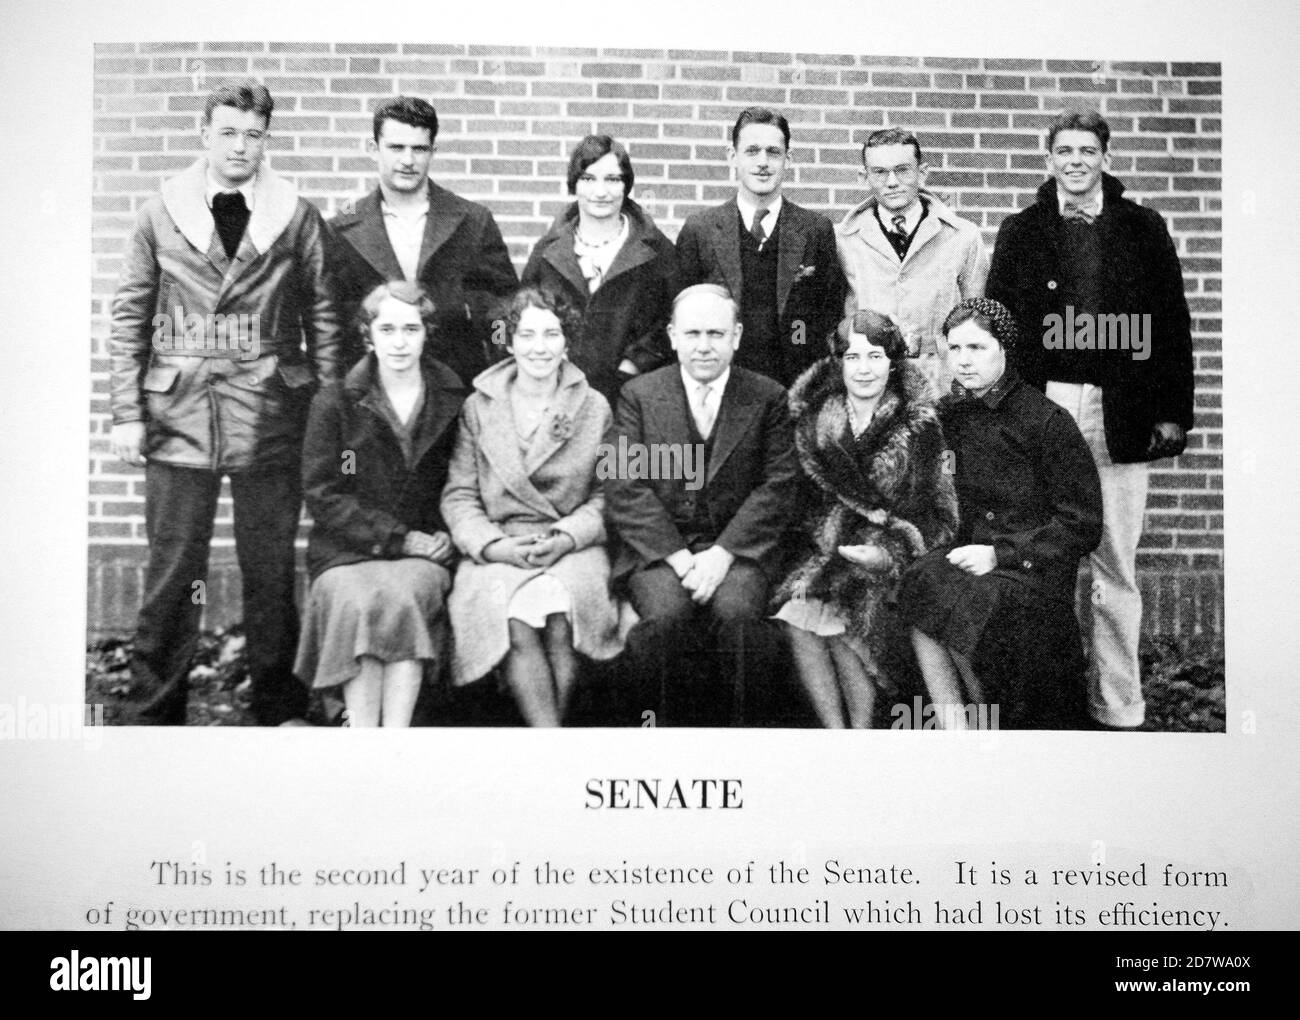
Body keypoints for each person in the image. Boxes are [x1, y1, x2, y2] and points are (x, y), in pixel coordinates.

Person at [108, 81, 341, 726]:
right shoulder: (161, 210)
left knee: (269, 571)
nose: (241, 146)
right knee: (173, 569)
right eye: (228, 132)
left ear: (267, 139)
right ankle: (155, 711)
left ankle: (277, 707)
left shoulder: (296, 214)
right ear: (204, 134)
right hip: (178, 413)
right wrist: (126, 413)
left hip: (270, 411)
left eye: (253, 134)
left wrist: (324, 413)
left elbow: (324, 314)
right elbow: (131, 314)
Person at [985, 110, 1195, 730]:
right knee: (1038, 559)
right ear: (1048, 159)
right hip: (1046, 406)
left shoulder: (1142, 227)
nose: (1075, 161)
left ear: (1104, 156)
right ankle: (1048, 705)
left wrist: (1170, 412)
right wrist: (1007, 410)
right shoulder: (1021, 231)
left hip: (1120, 408)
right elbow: (1001, 326)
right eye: (1064, 151)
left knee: (1114, 563)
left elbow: (1170, 325)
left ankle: (1119, 706)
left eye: (1086, 150)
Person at [896, 298, 1103, 730]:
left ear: (1005, 350)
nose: (964, 361)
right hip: (970, 555)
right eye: (955, 349)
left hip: (1031, 571)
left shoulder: (1047, 422)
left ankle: (990, 726)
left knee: (970, 602)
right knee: (920, 580)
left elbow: (1082, 524)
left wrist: (1000, 555)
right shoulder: (949, 415)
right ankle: (956, 725)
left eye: (977, 348)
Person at [607, 283, 800, 726]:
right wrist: (677, 557)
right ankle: (659, 738)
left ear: (736, 336)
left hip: (737, 548)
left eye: (716, 334)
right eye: (692, 334)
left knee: (740, 619)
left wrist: (722, 554)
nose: (704, 346)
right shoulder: (638, 395)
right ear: (672, 336)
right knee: (664, 620)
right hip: (660, 549)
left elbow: (778, 485)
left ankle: (743, 742)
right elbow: (623, 484)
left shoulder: (768, 396)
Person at [440, 286, 623, 726]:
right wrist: (493, 547)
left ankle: (547, 748)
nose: (539, 347)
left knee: (563, 618)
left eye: (551, 334)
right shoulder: (479, 405)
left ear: (567, 341)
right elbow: (460, 494)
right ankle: (551, 744)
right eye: (527, 335)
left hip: (569, 543)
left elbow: (608, 493)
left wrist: (565, 538)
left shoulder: (593, 406)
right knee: (514, 618)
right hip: (500, 545)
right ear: (509, 341)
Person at [770, 310, 958, 728]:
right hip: (828, 545)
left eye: (875, 356)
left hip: (891, 552)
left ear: (893, 361)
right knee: (797, 614)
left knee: (842, 618)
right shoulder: (815, 416)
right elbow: (798, 501)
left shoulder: (920, 424)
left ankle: (861, 730)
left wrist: (889, 552)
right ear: (838, 362)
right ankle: (836, 732)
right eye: (853, 358)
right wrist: (823, 541)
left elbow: (940, 515)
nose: (864, 368)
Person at [295, 281, 466, 726]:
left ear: (427, 333)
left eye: (411, 329)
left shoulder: (453, 399)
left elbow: (464, 482)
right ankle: (362, 734)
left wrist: (444, 536)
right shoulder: (334, 402)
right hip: (349, 548)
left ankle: (395, 738)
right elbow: (322, 493)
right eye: (386, 329)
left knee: (404, 595)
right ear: (367, 335)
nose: (399, 341)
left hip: (429, 547)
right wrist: (396, 538)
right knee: (357, 600)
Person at [327, 96, 518, 382]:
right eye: (396, 148)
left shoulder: (472, 220)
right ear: (373, 149)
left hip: (456, 384)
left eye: (418, 149)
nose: (407, 160)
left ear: (433, 152)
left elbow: (506, 310)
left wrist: (501, 363)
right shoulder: (342, 228)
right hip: (370, 389)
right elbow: (329, 321)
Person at [675, 107, 846, 386]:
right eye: (752, 151)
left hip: (792, 389)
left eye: (773, 152)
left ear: (788, 159)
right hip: (722, 387)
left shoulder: (815, 230)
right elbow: (681, 314)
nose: (763, 162)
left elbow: (829, 316)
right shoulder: (700, 230)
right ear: (733, 156)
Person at [520, 134, 678, 406]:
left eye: (612, 179)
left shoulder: (658, 252)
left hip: (636, 395)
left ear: (626, 185)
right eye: (589, 179)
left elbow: (674, 321)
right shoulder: (547, 252)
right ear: (575, 184)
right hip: (558, 393)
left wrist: (633, 365)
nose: (601, 192)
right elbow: (517, 316)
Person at [836, 128, 989, 399]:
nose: (892, 181)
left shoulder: (962, 236)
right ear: (864, 177)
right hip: (872, 384)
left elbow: (978, 321)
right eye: (880, 172)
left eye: (903, 170)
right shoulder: (844, 240)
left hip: (943, 386)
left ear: (923, 172)